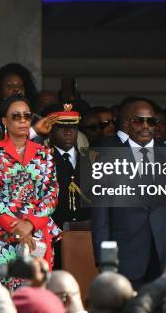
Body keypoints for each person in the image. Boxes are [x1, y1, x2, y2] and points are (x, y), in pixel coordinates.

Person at [91, 99, 166, 290]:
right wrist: (105, 261)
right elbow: (101, 217)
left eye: (151, 121)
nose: (146, 126)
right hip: (126, 255)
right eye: (139, 121)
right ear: (127, 125)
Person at [0, 95, 60, 290]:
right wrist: (17, 227)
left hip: (37, 233)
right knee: (2, 297)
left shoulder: (44, 153)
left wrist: (30, 225)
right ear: (4, 121)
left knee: (36, 294)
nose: (23, 120)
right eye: (16, 116)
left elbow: (51, 195)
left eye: (27, 116)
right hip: (2, 232)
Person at [43, 103, 91, 268]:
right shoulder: (42, 159)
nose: (68, 131)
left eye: (72, 127)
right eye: (61, 127)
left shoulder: (92, 159)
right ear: (50, 130)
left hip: (86, 236)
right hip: (53, 236)